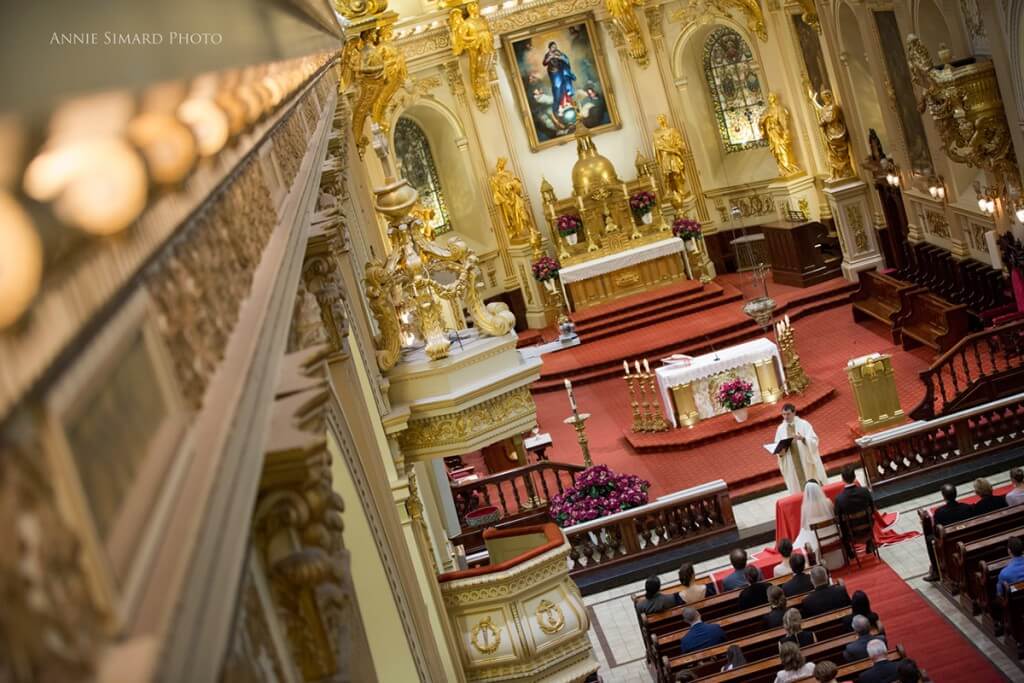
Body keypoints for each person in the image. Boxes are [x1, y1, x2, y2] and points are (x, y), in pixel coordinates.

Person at [923, 483, 974, 582]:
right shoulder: (966, 507)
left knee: (930, 539)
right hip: (968, 538)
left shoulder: (940, 512)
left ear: (943, 497)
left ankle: (936, 571)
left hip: (949, 544)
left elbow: (936, 531)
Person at [773, 404, 827, 494]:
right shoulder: (780, 429)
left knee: (811, 486)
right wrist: (780, 452)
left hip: (805, 461)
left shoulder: (804, 424)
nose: (785, 417)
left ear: (794, 413)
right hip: (791, 463)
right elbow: (777, 446)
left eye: (788, 414)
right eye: (783, 414)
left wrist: (803, 439)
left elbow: (814, 440)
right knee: (796, 489)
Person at [795, 480, 845, 570]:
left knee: (805, 535)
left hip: (818, 541)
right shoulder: (828, 502)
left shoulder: (805, 507)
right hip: (833, 536)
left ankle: (817, 562)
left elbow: (805, 527)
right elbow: (834, 517)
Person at [835, 464, 875, 555]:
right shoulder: (865, 491)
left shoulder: (839, 498)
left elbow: (838, 519)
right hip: (868, 528)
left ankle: (849, 552)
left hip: (850, 533)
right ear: (855, 476)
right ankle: (869, 543)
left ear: (842, 479)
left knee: (841, 526)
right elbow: (872, 509)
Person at [542, 41, 576, 116]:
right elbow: (544, 63)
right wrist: (550, 57)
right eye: (553, 47)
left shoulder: (558, 53)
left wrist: (559, 57)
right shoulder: (548, 55)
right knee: (557, 90)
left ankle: (567, 104)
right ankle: (556, 110)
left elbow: (566, 60)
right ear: (550, 48)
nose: (555, 48)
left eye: (555, 47)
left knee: (564, 89)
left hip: (561, 73)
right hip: (554, 75)